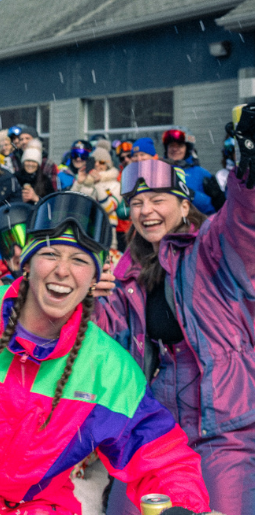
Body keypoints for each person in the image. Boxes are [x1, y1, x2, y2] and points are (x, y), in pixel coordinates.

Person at [0, 191, 211, 515]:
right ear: (28, 262)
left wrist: (183, 505)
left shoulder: (107, 368)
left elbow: (161, 454)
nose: (63, 271)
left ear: (95, 277)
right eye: (51, 254)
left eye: (80, 260)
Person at [94, 115, 255, 515]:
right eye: (136, 202)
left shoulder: (213, 247)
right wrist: (82, 299)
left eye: (158, 199)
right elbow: (103, 342)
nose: (146, 210)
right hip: (157, 423)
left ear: (185, 205)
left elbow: (246, 218)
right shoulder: (125, 272)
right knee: (125, 509)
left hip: (226, 420)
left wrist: (247, 168)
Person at [70, 144, 122, 256]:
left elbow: (109, 208)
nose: (98, 165)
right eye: (95, 162)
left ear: (108, 165)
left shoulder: (115, 185)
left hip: (106, 236)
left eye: (102, 162)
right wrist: (79, 182)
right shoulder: (84, 183)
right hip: (83, 234)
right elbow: (72, 203)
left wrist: (98, 184)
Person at [161, 128, 219, 215]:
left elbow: (213, 207)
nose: (175, 149)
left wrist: (190, 194)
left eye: (180, 146)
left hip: (196, 223)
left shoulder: (201, 173)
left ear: (187, 149)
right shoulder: (158, 171)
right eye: (171, 145)